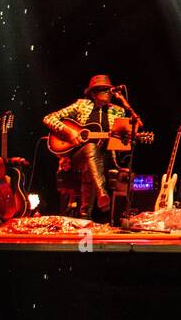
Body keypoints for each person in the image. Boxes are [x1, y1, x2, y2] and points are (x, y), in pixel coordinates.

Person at [43, 75, 125, 218]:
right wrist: (68, 132)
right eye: (103, 89)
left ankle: (84, 215)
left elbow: (120, 142)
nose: (107, 92)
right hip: (77, 157)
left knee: (92, 162)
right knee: (91, 148)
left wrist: (126, 137)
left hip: (106, 158)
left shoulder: (118, 111)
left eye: (109, 89)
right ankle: (101, 193)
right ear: (93, 93)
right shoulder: (81, 105)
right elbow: (48, 118)